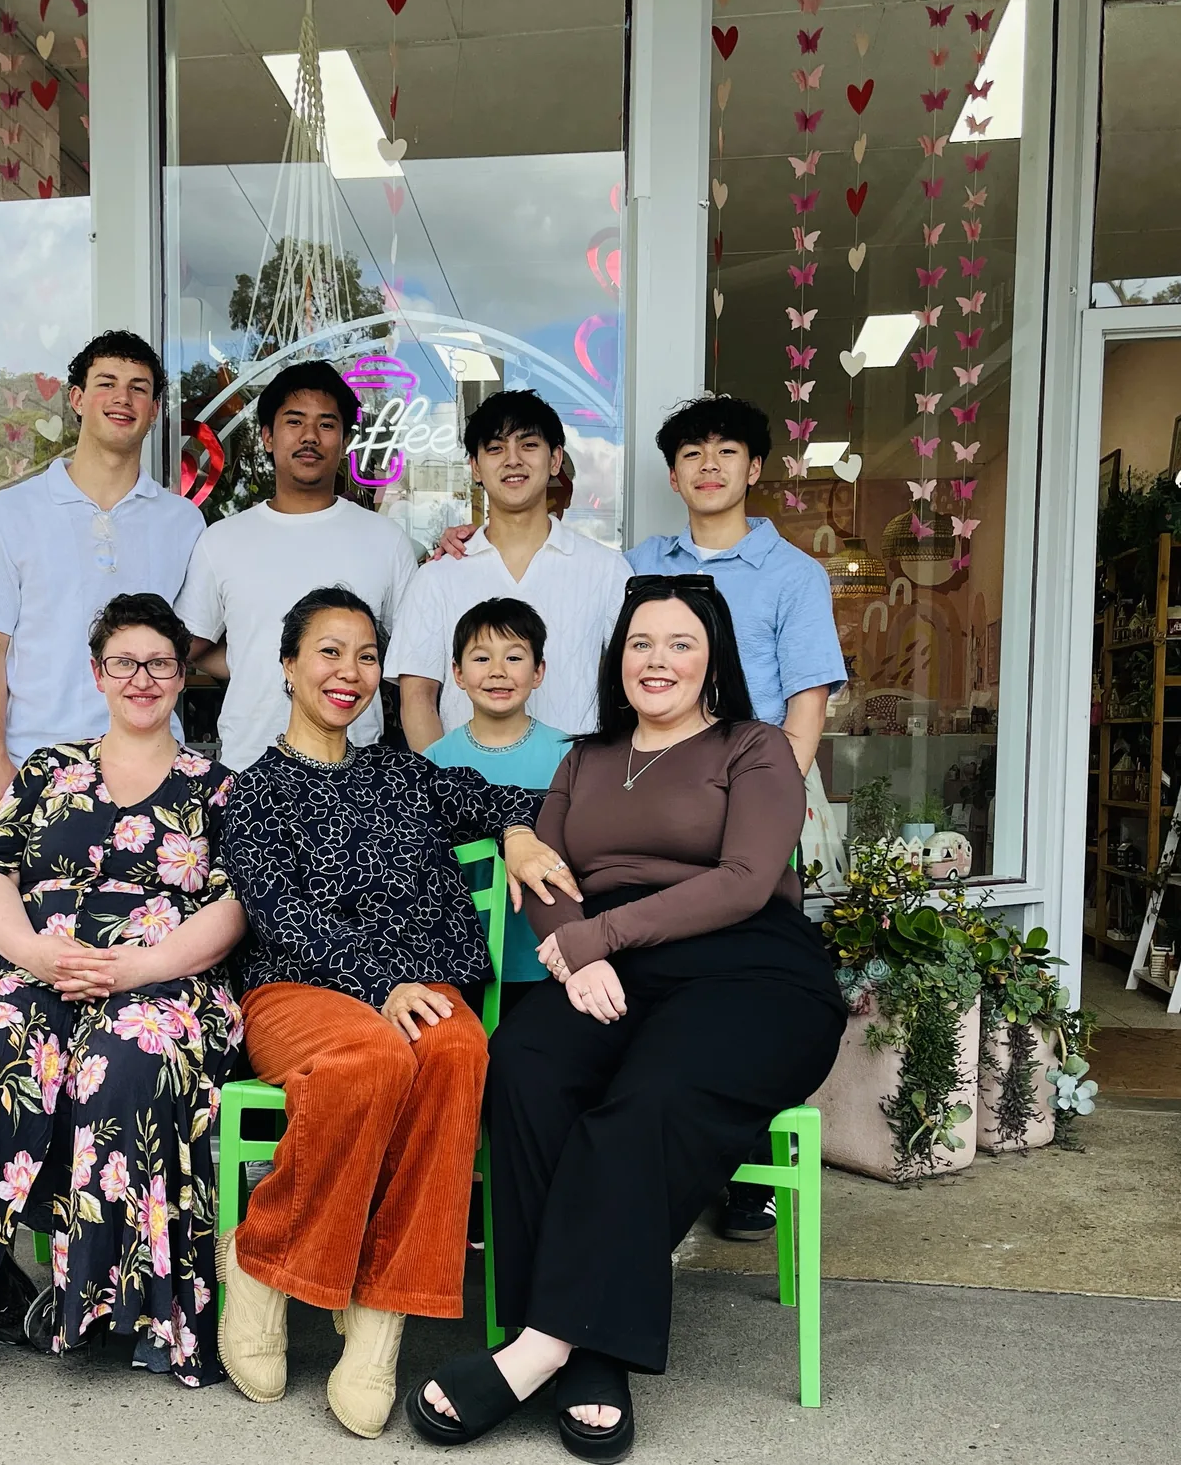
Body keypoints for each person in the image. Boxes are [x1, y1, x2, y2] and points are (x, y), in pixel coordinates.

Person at [406, 576, 845, 1460]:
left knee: (646, 1103)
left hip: (749, 967)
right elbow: (545, 872)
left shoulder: (754, 748)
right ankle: (574, 1346)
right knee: (527, 1071)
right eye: (641, 643)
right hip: (612, 967)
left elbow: (746, 879)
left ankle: (551, 1347)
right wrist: (573, 944)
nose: (658, 661)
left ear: (712, 656)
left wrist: (596, 936)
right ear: (617, 658)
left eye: (680, 643)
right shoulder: (584, 758)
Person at [216, 587, 577, 1439]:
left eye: (366, 656)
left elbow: (494, 798)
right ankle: (262, 1263)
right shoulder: (255, 792)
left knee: (458, 1052)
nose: (349, 672)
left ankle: (381, 1315)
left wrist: (518, 833)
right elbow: (282, 914)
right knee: (377, 1057)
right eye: (329, 652)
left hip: (425, 990)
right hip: (299, 993)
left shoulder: (400, 773)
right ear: (289, 666)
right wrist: (378, 981)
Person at [0, 593, 246, 1388]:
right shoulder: (46, 769)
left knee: (125, 1058)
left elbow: (234, 904)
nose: (141, 678)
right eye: (124, 662)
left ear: (183, 676)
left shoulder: (219, 787)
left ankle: (116, 1305)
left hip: (161, 978)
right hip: (36, 966)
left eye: (160, 663)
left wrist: (141, 967)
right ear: (96, 671)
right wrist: (34, 954)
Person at [625, 394, 847, 1244]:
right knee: (667, 961)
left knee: (753, 972)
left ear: (756, 468)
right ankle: (663, 1135)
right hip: (659, 803)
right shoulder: (640, 562)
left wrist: (761, 805)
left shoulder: (792, 575)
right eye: (691, 452)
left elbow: (807, 703)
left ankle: (746, 1168)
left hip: (758, 798)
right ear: (674, 472)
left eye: (727, 450)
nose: (709, 464)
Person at [0, 331, 203, 818]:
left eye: (139, 387)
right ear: (78, 399)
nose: (122, 398)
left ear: (154, 409)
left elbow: (197, 641)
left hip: (155, 777)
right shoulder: (10, 513)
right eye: (107, 383)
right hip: (35, 772)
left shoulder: (183, 522)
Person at [177, 360, 418, 770]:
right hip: (247, 772)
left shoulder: (386, 541)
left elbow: (410, 660)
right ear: (268, 437)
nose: (310, 437)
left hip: (356, 777)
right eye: (294, 421)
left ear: (343, 441)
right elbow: (189, 646)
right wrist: (248, 659)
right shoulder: (222, 540)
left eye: (326, 424)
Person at [392, 390, 629, 748]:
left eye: (529, 445)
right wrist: (445, 790)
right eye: (496, 448)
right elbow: (417, 698)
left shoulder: (606, 570)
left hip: (577, 792)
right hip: (464, 796)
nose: (513, 460)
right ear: (475, 467)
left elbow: (636, 684)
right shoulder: (438, 576)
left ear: (555, 460)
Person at [422, 597, 575, 1022]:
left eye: (514, 657)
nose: (498, 671)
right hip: (459, 958)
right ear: (457, 673)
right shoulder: (433, 761)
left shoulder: (571, 755)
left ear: (538, 671)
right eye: (481, 658)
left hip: (549, 955)